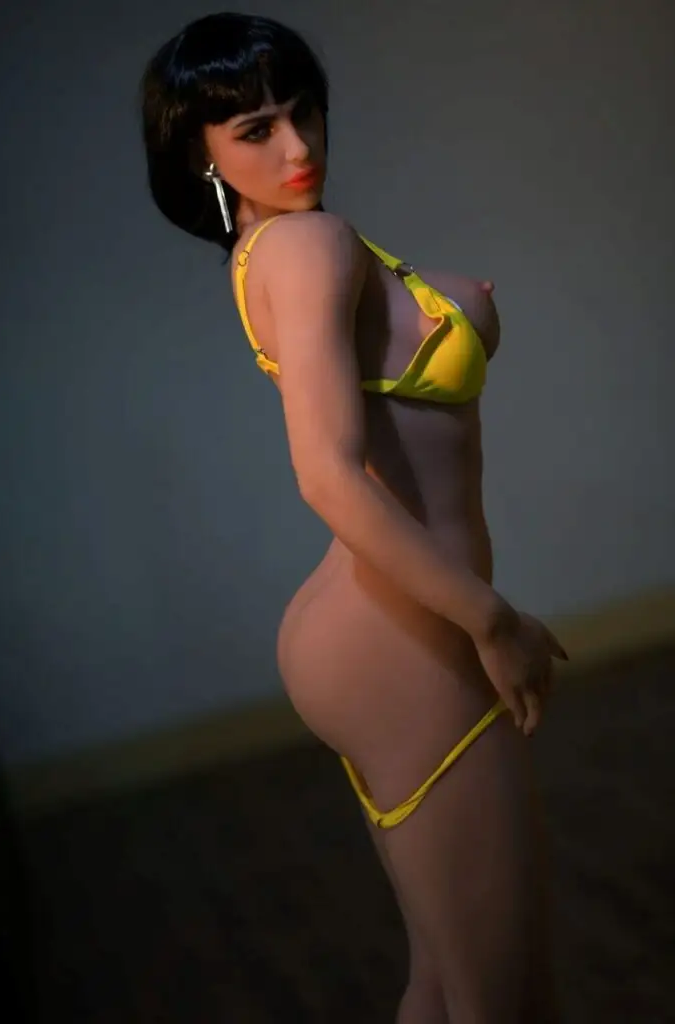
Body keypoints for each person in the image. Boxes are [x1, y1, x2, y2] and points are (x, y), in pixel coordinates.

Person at [140, 12, 568, 1022]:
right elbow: (328, 476)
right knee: (506, 999)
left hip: (373, 631)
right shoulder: (306, 244)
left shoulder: (271, 250)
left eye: (304, 113)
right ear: (198, 155)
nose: (297, 147)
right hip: (407, 640)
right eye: (255, 131)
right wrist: (491, 620)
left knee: (446, 984)